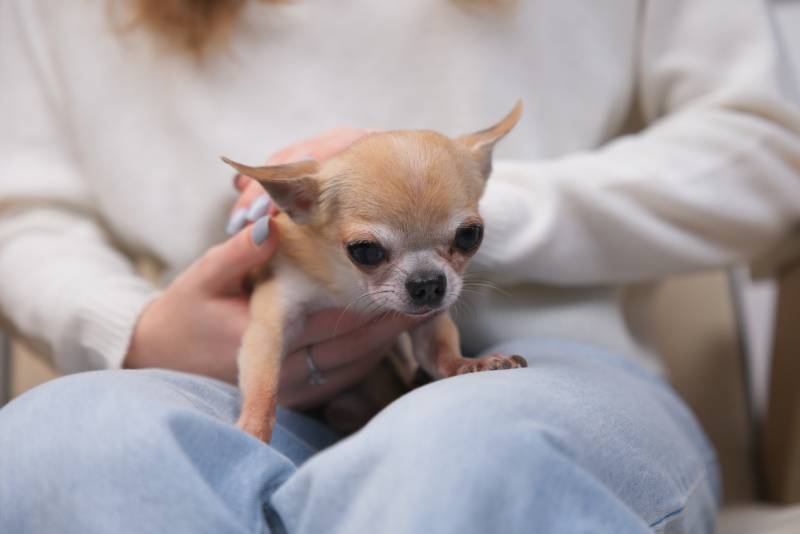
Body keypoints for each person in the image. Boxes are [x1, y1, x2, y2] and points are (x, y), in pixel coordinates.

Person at [1, 0, 799, 532]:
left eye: (463, 242)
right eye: (373, 250)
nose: (429, 275)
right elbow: (23, 209)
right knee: (62, 442)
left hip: (537, 369)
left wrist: (484, 203)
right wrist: (130, 327)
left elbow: (768, 151)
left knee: (467, 458)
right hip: (211, 374)